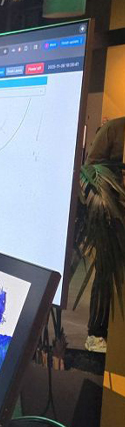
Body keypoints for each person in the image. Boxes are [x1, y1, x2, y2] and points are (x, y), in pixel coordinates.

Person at [82, 117, 124, 353]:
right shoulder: (113, 129)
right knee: (106, 272)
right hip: (109, 218)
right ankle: (96, 333)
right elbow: (89, 171)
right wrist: (104, 203)